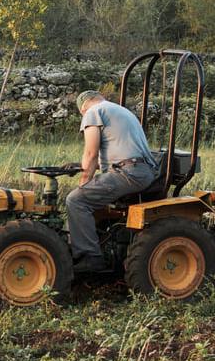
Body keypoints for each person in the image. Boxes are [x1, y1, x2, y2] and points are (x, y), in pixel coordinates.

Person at [65, 90, 158, 273]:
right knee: (88, 200)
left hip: (128, 173)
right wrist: (80, 165)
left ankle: (90, 257)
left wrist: (84, 182)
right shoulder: (119, 110)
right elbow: (118, 154)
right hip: (140, 170)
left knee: (76, 201)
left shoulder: (93, 112)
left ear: (83, 108)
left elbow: (91, 154)